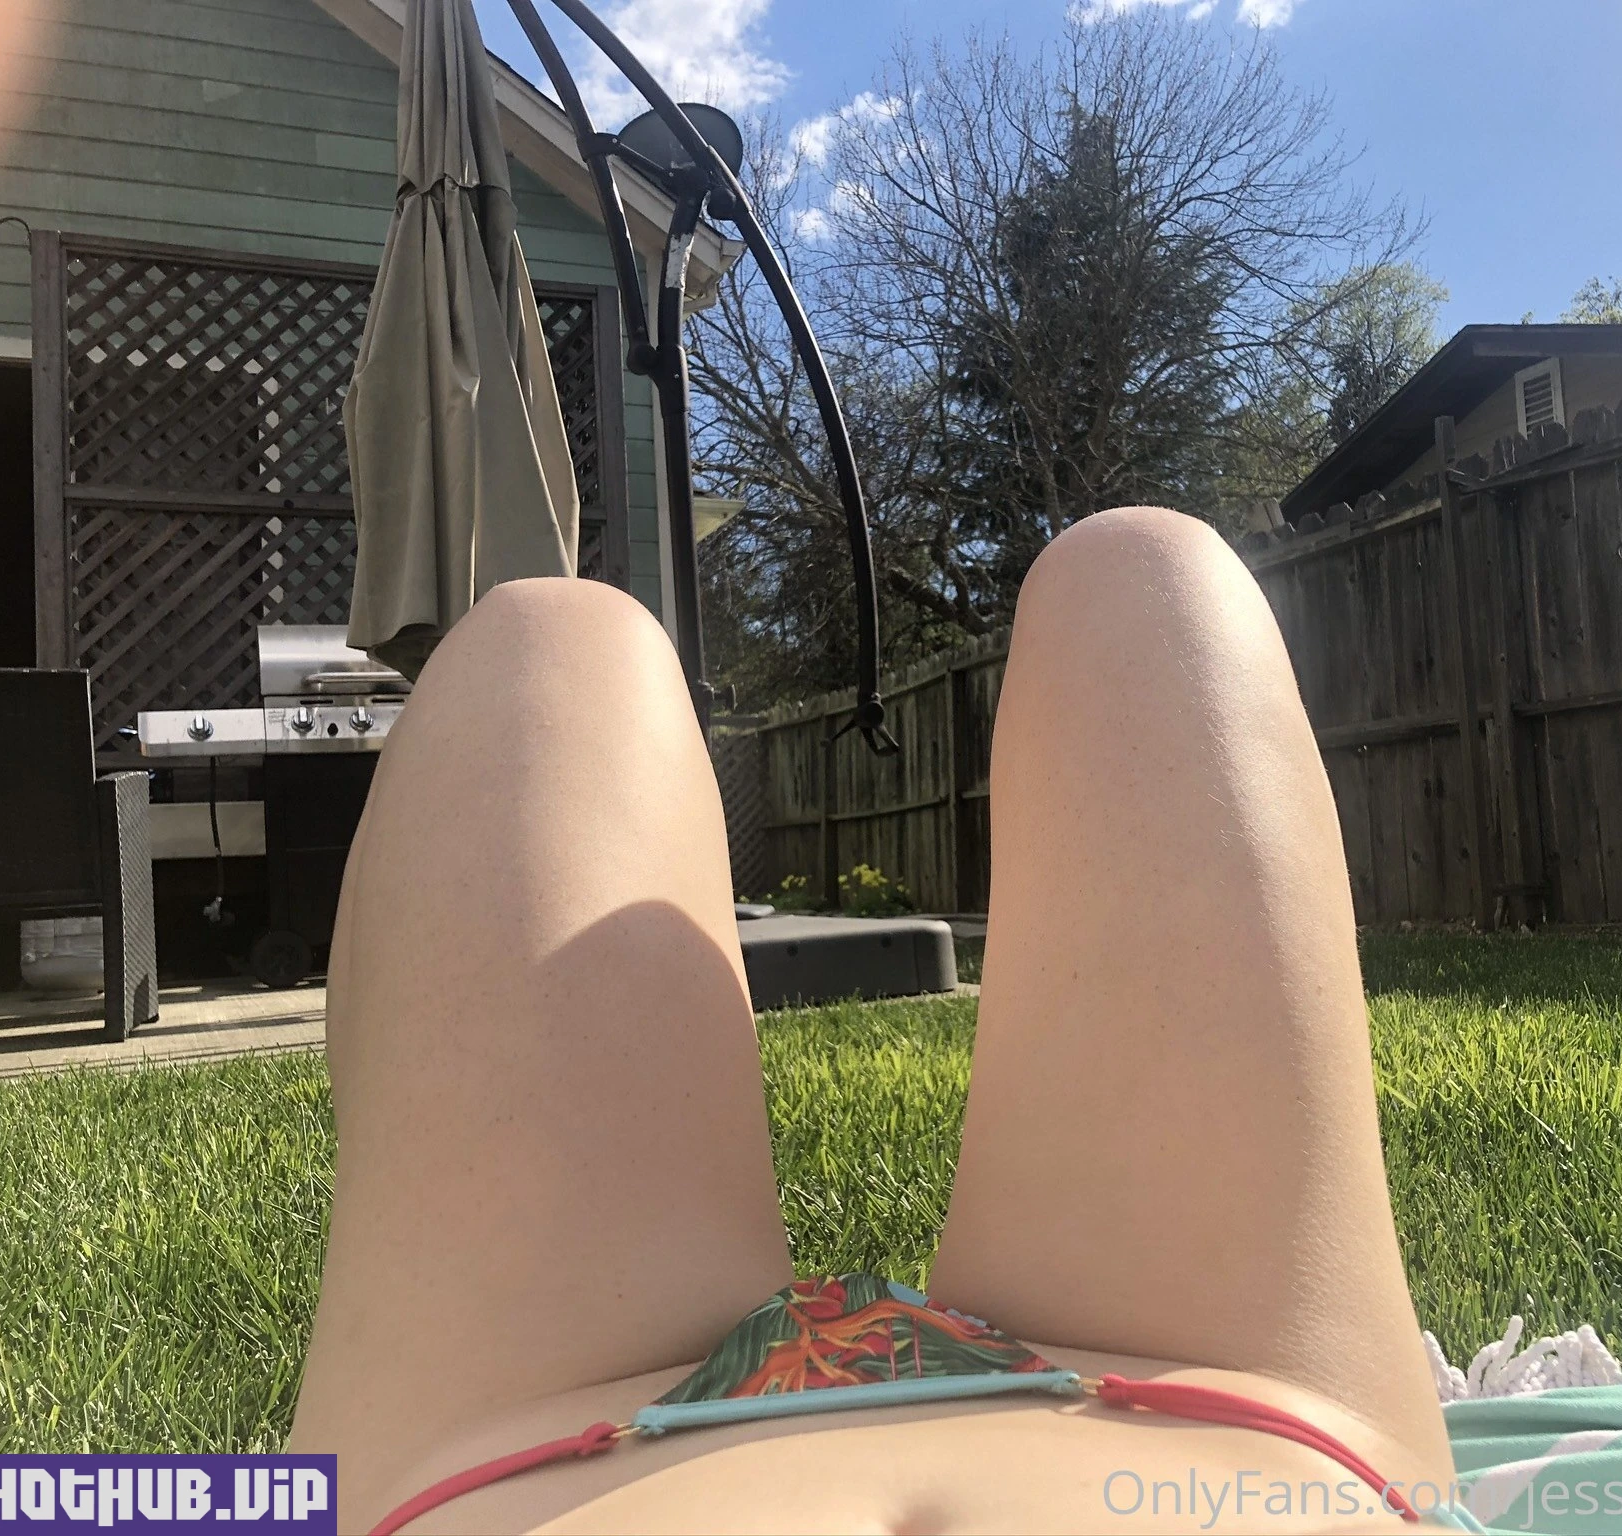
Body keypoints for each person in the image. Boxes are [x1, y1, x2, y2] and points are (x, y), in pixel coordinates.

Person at [289, 506, 1459, 1533]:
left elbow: (206, 1507)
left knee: (542, 647)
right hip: (1230, 1421)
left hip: (518, 1457)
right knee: (1148, 576)